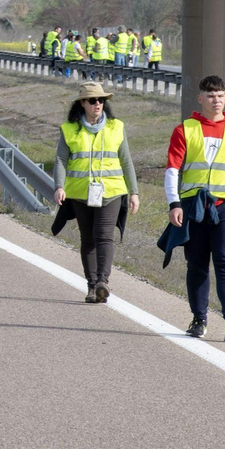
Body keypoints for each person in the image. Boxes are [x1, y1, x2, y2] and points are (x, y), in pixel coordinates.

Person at [159, 75, 225, 342]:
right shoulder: (185, 129)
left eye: (220, 96)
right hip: (194, 206)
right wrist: (174, 204)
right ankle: (199, 319)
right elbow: (173, 170)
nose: (215, 100)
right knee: (196, 264)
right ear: (200, 99)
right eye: (210, 96)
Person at [50, 82, 139, 303]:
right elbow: (61, 160)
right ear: (82, 103)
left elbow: (126, 161)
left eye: (101, 100)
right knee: (88, 239)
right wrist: (59, 186)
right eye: (92, 100)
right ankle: (92, 287)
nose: (98, 103)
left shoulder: (116, 126)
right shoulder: (69, 129)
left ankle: (103, 282)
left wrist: (134, 191)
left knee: (104, 235)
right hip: (80, 192)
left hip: (112, 191)